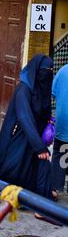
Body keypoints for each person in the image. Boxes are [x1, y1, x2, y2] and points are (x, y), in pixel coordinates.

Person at [0, 55, 55, 223]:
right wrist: (39, 146)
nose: (48, 74)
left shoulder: (41, 89)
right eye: (45, 71)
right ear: (36, 71)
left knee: (35, 166)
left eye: (51, 71)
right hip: (17, 137)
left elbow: (43, 111)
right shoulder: (23, 90)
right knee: (6, 169)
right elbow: (25, 118)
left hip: (33, 138)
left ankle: (41, 203)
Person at [51, 64, 68, 200]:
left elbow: (53, 93)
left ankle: (55, 188)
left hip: (63, 125)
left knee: (61, 155)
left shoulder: (63, 71)